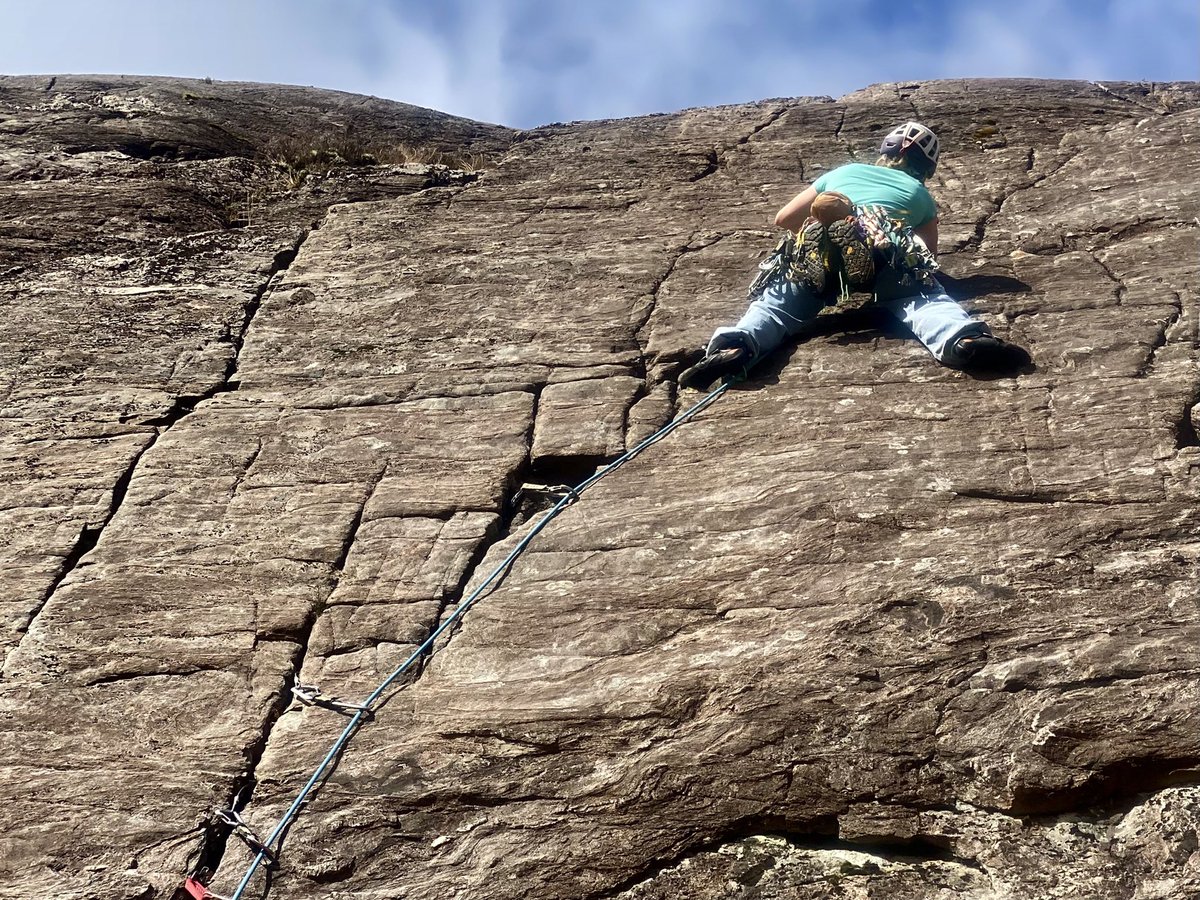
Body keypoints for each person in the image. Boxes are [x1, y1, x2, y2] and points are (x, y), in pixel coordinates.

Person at [679, 122, 1028, 389]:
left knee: (776, 307)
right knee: (922, 295)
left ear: (886, 150)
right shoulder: (919, 193)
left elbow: (784, 219)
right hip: (884, 246)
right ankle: (963, 340)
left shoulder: (844, 172)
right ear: (926, 167)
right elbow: (928, 257)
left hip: (814, 257)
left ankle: (737, 346)